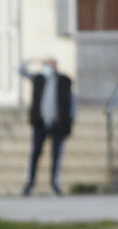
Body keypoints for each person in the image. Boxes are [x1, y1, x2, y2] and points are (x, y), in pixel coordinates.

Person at [18, 57, 75, 196]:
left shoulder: (64, 81)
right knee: (35, 153)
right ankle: (30, 183)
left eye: (49, 64)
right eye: (46, 65)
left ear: (55, 66)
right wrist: (33, 61)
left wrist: (70, 121)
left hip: (58, 124)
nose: (47, 67)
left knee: (56, 155)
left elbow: (72, 102)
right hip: (40, 123)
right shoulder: (38, 79)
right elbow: (21, 70)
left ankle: (55, 185)